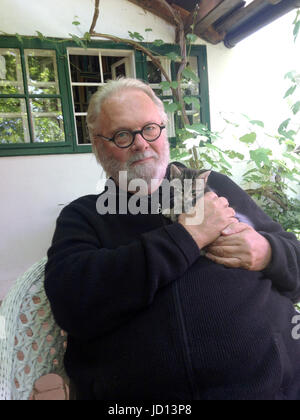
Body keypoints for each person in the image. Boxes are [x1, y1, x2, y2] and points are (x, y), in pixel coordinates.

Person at [45, 78, 300, 400]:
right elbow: (72, 303)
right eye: (122, 135)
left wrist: (267, 252)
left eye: (150, 128)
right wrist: (189, 235)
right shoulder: (85, 216)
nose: (140, 144)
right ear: (97, 145)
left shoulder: (214, 185)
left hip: (275, 387)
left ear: (164, 130)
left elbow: (296, 264)